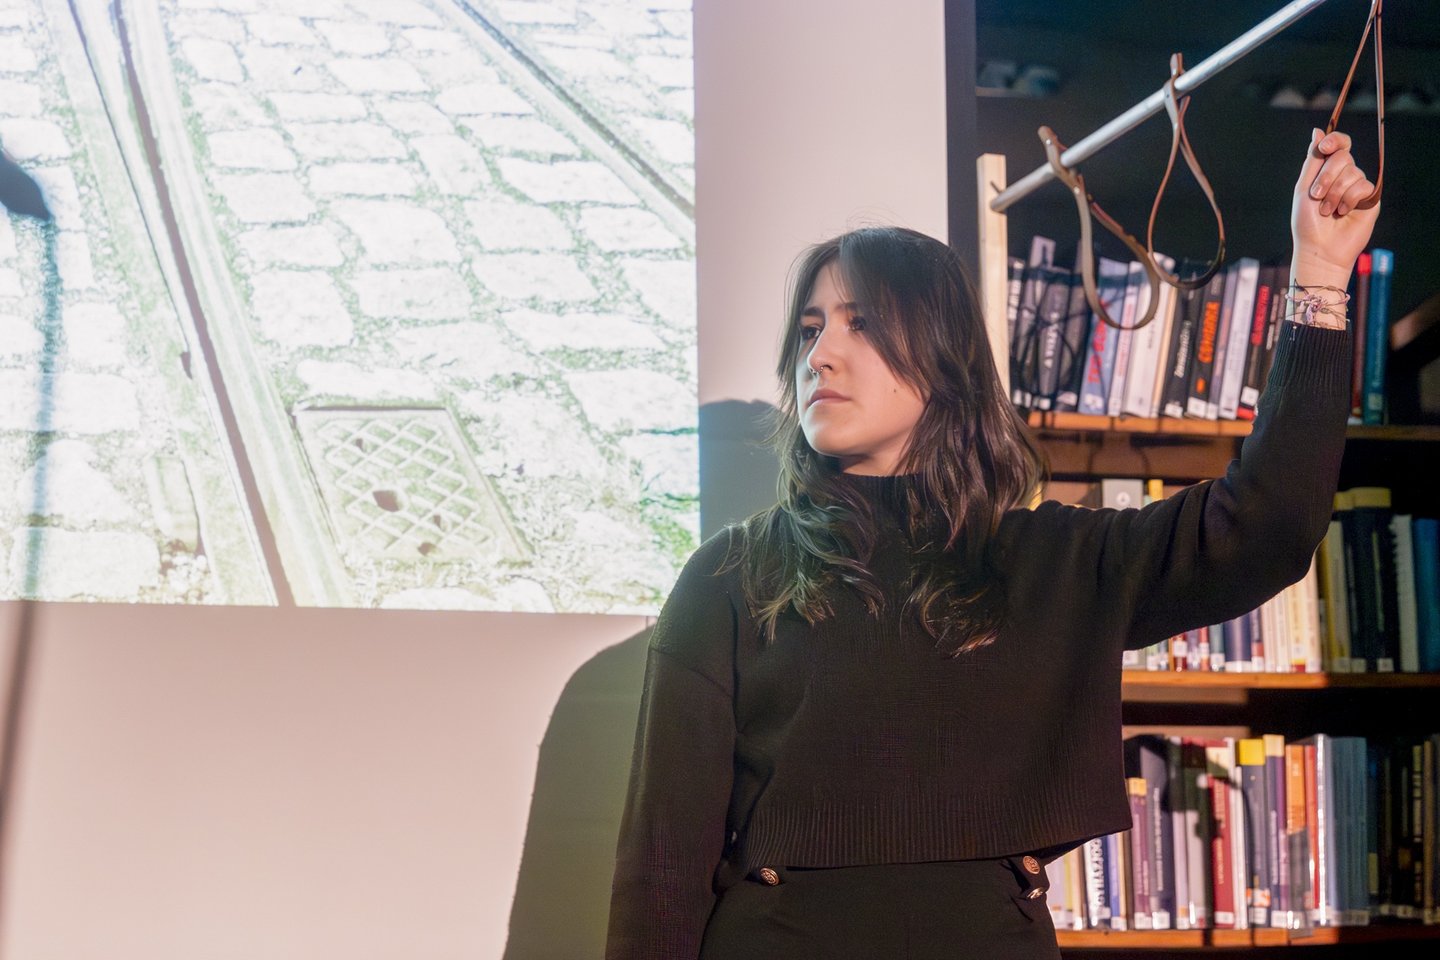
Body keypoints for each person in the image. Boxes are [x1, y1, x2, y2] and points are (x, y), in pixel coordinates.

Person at [606, 129, 1379, 959]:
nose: (821, 355)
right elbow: (662, 868)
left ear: (942, 356)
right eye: (808, 330)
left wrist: (1319, 278)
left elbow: (1265, 526)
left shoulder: (1052, 560)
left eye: (861, 324)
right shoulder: (730, 575)